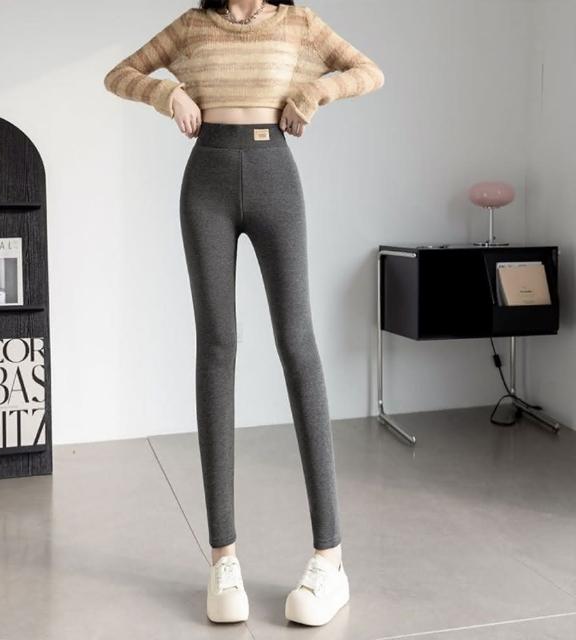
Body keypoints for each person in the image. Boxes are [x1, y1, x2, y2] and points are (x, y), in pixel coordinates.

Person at [104, 0, 384, 627]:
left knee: (297, 343)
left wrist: (315, 91)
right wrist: (166, 94)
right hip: (204, 181)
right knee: (217, 347)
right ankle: (223, 559)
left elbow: (368, 71)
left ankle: (330, 559)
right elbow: (119, 73)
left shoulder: (297, 22)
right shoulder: (192, 24)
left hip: (274, 176)